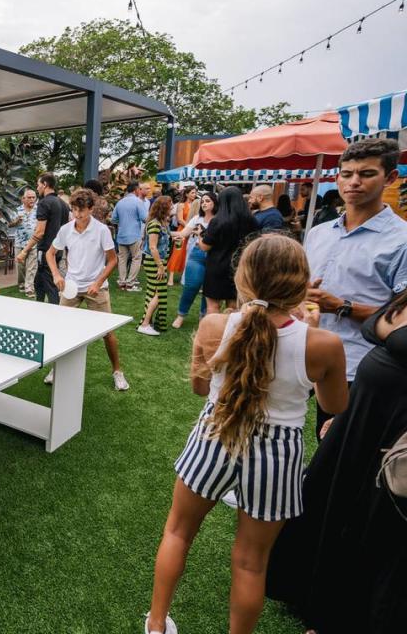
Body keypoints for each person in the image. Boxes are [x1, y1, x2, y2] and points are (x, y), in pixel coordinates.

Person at [145, 234, 348, 634]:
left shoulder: (213, 324)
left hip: (214, 433)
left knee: (178, 532)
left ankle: (155, 625)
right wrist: (312, 331)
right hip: (278, 452)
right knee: (251, 561)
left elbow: (200, 390)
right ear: (300, 284)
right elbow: (336, 404)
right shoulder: (323, 344)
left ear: (242, 277)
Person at [266, 287, 407, 634]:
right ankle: (314, 599)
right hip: (362, 415)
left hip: (394, 432)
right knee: (330, 503)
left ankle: (340, 618)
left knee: (368, 523)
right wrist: (349, 414)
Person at [303, 138, 407, 439]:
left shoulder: (400, 239)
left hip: (359, 366)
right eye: (346, 174)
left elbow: (402, 324)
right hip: (305, 351)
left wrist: (340, 306)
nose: (354, 182)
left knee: (340, 452)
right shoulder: (319, 232)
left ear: (390, 177)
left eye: (366, 174)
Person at [45, 189, 129, 391]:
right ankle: (56, 369)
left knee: (107, 333)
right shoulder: (66, 229)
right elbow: (50, 253)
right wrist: (57, 275)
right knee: (61, 329)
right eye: (74, 209)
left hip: (96, 288)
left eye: (81, 210)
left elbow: (112, 260)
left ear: (91, 209)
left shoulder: (102, 230)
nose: (77, 214)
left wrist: (98, 283)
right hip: (71, 287)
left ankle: (117, 372)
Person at [201, 187, 259, 314]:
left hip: (217, 266)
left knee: (213, 307)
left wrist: (200, 238)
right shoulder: (252, 221)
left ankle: (214, 332)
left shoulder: (217, 221)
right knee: (233, 307)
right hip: (239, 267)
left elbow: (205, 246)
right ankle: (230, 332)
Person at [17, 172, 69, 304]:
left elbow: (39, 232)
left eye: (38, 185)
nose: (37, 188)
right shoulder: (63, 204)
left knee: (50, 286)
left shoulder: (44, 203)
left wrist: (24, 251)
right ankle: (38, 310)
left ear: (45, 184)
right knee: (38, 283)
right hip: (58, 250)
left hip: (46, 252)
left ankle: (55, 314)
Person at [171, 191, 216, 329]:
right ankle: (181, 315)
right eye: (202, 201)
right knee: (191, 285)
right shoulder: (197, 218)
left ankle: (204, 316)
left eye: (207, 201)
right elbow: (183, 233)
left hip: (214, 256)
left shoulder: (219, 219)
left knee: (208, 289)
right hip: (197, 254)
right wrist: (167, 233)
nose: (204, 203)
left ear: (215, 202)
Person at [136, 197, 173, 336]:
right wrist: (160, 266)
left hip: (158, 261)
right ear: (164, 208)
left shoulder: (162, 223)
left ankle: (148, 322)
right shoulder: (155, 224)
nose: (172, 207)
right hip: (154, 262)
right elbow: (152, 247)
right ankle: (145, 324)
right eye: (170, 205)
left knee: (155, 292)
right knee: (158, 293)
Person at [110, 181, 150, 291]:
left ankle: (122, 282)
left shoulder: (120, 202)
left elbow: (113, 219)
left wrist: (122, 222)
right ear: (136, 189)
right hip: (134, 235)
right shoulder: (138, 202)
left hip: (121, 235)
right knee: (136, 258)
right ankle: (130, 283)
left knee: (122, 259)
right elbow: (145, 218)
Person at [166, 186, 197, 286]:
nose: (194, 194)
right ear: (187, 194)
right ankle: (170, 278)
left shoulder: (196, 205)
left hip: (192, 233)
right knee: (177, 253)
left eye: (195, 193)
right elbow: (179, 219)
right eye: (192, 193)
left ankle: (183, 277)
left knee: (187, 253)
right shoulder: (181, 205)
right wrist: (189, 227)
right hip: (182, 231)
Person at [13, 188, 39, 297]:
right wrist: (15, 221)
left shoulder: (39, 210)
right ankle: (22, 283)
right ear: (23, 199)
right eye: (29, 197)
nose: (32, 199)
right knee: (20, 267)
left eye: (33, 197)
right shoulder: (17, 210)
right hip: (19, 243)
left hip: (34, 243)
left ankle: (29, 288)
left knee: (32, 267)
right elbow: (8, 224)